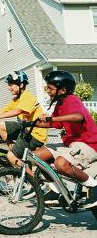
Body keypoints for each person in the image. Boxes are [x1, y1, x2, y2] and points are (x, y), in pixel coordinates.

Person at [33, 70, 97, 207]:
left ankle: (94, 187)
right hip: (71, 144)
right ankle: (56, 190)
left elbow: (78, 117)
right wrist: (30, 123)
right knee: (37, 156)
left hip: (88, 144)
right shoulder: (59, 104)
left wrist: (52, 118)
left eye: (50, 88)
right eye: (47, 88)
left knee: (61, 164)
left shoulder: (72, 100)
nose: (48, 91)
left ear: (62, 90)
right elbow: (54, 123)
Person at [0, 71, 47, 167]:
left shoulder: (27, 97)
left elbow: (17, 111)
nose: (9, 87)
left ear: (21, 85)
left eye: (11, 85)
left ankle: (31, 178)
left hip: (34, 135)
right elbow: (2, 112)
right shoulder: (16, 99)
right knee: (0, 125)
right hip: (25, 130)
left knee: (11, 157)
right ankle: (13, 151)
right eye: (8, 85)